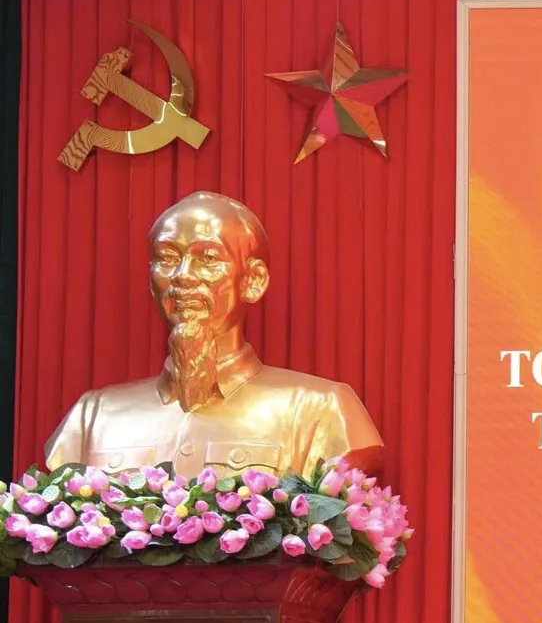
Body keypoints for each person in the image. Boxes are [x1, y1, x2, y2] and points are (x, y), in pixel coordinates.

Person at [44, 191, 383, 478]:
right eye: (167, 257)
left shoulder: (322, 410)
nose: (183, 276)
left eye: (207, 258)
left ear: (253, 280)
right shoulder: (92, 417)